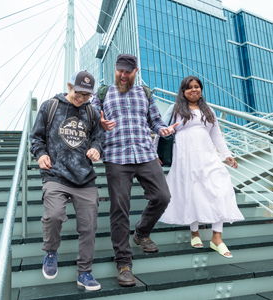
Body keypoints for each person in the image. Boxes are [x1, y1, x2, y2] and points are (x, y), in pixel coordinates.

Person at [91, 54, 177, 287]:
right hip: (116, 157)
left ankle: (141, 233)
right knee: (120, 209)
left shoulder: (145, 93)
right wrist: (99, 123)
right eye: (120, 71)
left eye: (127, 72)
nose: (123, 75)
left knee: (162, 196)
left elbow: (155, 121)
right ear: (115, 70)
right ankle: (124, 264)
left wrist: (163, 130)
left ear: (135, 71)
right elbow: (90, 119)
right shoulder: (103, 93)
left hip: (145, 154)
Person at [29, 70, 104, 291]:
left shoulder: (92, 112)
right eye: (79, 93)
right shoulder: (50, 106)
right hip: (56, 174)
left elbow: (99, 138)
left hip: (85, 178)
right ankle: (51, 252)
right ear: (70, 86)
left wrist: (95, 149)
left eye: (87, 95)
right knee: (53, 216)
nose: (82, 99)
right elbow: (36, 138)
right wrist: (41, 154)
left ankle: (85, 272)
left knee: (88, 227)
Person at [158, 75, 244, 258]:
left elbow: (217, 135)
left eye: (197, 86)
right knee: (192, 191)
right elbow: (160, 130)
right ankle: (195, 232)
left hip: (208, 156)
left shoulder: (208, 110)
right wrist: (155, 154)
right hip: (185, 157)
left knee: (221, 189)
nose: (194, 90)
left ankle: (217, 237)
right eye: (189, 87)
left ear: (201, 89)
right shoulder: (175, 110)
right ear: (183, 91)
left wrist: (227, 154)